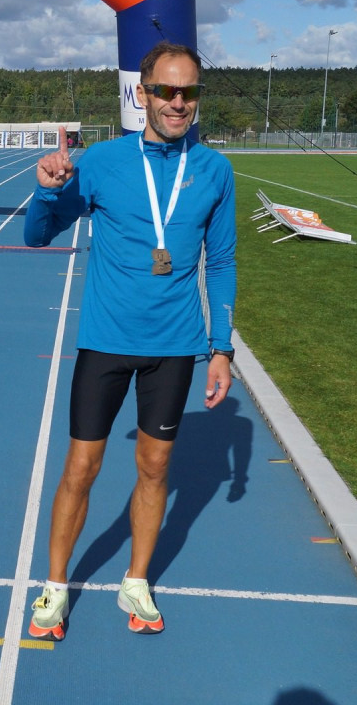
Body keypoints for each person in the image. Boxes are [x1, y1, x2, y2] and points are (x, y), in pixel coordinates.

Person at [24, 41, 236, 640]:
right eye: (165, 90)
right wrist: (46, 190)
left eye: (189, 92)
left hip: (174, 346)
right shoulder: (103, 162)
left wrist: (221, 347)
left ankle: (136, 580)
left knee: (156, 465)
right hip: (107, 340)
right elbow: (38, 236)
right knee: (81, 466)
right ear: (141, 94)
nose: (177, 102)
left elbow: (221, 262)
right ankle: (55, 585)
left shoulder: (215, 170)